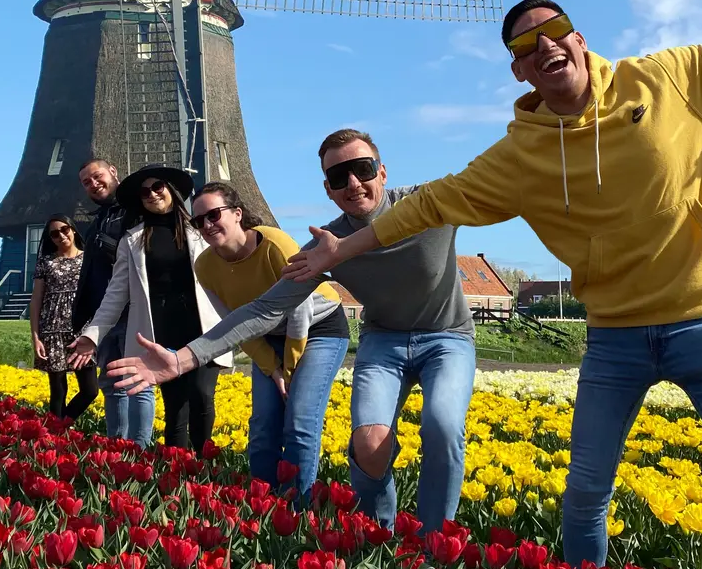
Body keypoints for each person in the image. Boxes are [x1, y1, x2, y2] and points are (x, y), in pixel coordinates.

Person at [280, 0, 702, 569]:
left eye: (554, 31)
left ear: (580, 37)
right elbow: (427, 206)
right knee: (586, 488)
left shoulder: (669, 78)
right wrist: (342, 249)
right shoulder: (520, 156)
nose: (545, 46)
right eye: (526, 46)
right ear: (520, 73)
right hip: (615, 333)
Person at [104, 129, 478, 534]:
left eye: (362, 169)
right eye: (339, 178)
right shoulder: (324, 244)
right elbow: (265, 308)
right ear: (328, 190)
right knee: (369, 445)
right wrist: (184, 357)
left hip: (447, 335)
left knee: (441, 426)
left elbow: (501, 189)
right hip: (384, 338)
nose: (353, 183)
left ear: (382, 171)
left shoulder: (431, 203)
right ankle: (379, 531)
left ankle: (434, 540)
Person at [190, 182, 350, 500]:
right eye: (199, 221)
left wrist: (287, 370)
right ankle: (263, 506)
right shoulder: (204, 266)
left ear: (237, 213)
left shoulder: (274, 244)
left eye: (213, 214)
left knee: (300, 419)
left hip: (318, 329)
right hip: (265, 335)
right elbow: (234, 322)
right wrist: (270, 367)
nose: (207, 225)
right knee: (263, 424)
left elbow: (301, 311)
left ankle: (297, 509)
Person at [69, 163, 231, 452]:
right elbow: (115, 295)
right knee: (175, 406)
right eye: (145, 192)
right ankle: (177, 472)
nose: (153, 194)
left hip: (202, 326)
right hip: (163, 330)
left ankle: (205, 467)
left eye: (158, 187)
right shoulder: (132, 240)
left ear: (171, 190)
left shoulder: (200, 231)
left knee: (202, 395)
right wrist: (91, 335)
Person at [71, 159, 131, 440]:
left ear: (113, 172)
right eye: (86, 182)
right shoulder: (98, 220)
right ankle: (117, 445)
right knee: (110, 383)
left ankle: (136, 448)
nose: (93, 184)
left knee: (133, 384)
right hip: (103, 315)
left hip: (131, 312)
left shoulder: (133, 210)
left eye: (97, 176)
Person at [30, 215, 99, 420]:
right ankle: (55, 438)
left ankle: (59, 426)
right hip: (53, 328)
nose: (61, 235)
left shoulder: (88, 259)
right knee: (58, 390)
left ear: (73, 230)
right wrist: (35, 336)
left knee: (90, 390)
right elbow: (36, 300)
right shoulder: (46, 262)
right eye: (54, 233)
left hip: (81, 330)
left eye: (64, 229)